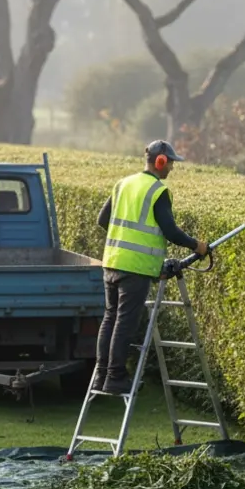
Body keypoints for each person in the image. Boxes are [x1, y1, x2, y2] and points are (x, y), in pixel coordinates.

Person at [91, 140, 209, 395]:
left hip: (111, 262)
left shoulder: (123, 183)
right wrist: (197, 246)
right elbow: (170, 231)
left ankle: (101, 376)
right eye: (171, 163)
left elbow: (102, 220)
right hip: (135, 269)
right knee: (124, 322)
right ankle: (116, 377)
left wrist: (124, 242)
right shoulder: (157, 191)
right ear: (160, 161)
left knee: (110, 318)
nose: (172, 169)